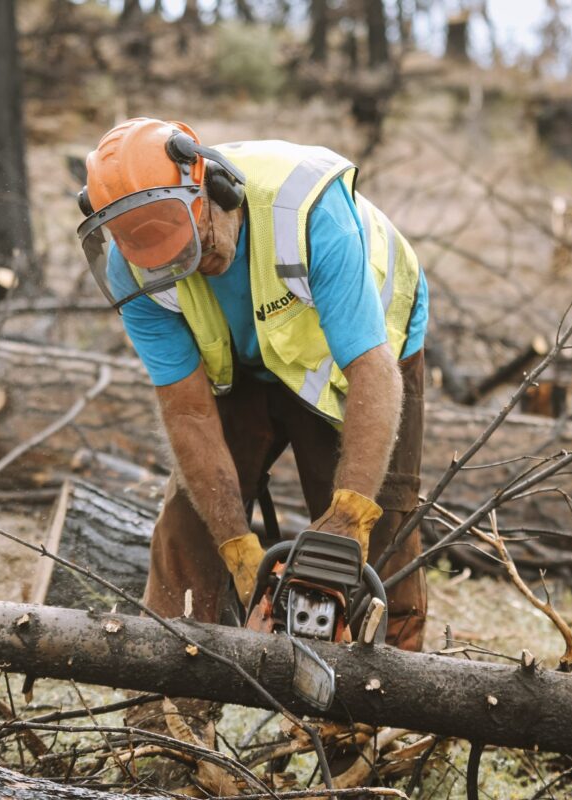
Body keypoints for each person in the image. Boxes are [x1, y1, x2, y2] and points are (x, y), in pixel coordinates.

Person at [76, 117, 429, 653]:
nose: (197, 264)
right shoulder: (133, 272)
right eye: (172, 259)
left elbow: (370, 369)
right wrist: (235, 543)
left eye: (199, 241)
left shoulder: (306, 211)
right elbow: (187, 411)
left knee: (378, 542)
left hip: (362, 355)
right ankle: (168, 717)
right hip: (241, 363)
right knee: (188, 534)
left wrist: (349, 515)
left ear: (215, 185)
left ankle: (381, 710)